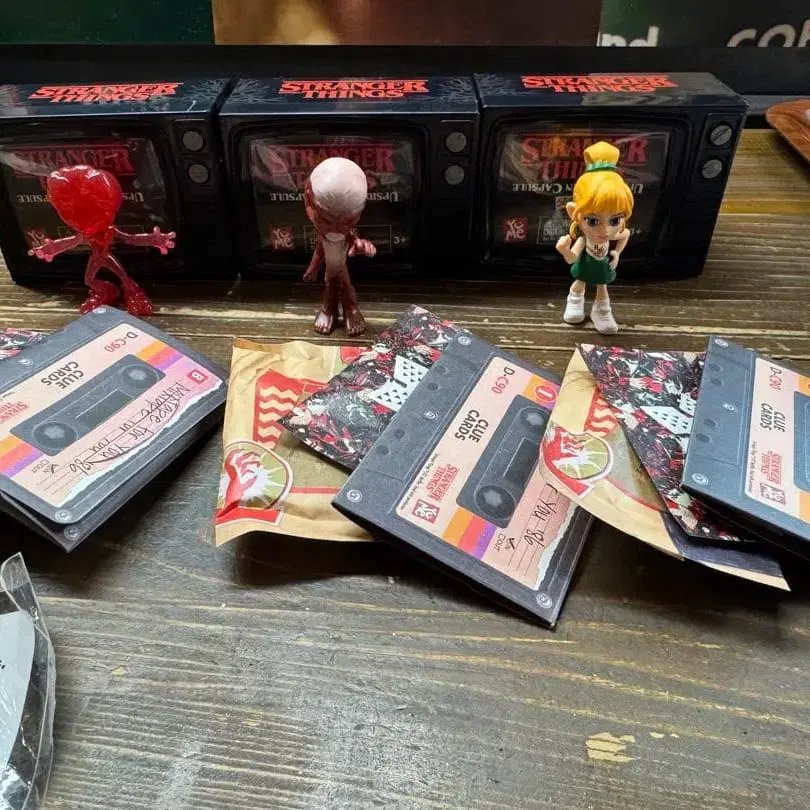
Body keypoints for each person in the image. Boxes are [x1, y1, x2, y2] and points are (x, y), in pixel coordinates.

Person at [555, 141, 634, 335]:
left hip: (603, 266)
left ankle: (602, 310)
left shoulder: (613, 234)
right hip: (586, 265)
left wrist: (617, 253)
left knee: (602, 286)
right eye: (593, 221)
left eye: (615, 220)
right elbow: (572, 258)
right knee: (580, 282)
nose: (605, 230)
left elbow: (625, 234)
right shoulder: (584, 239)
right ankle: (575, 301)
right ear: (573, 212)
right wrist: (565, 250)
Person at [303, 157, 376, 336]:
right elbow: (320, 251)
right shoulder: (323, 237)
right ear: (308, 201)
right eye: (326, 220)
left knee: (345, 288)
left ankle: (351, 309)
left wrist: (363, 247)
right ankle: (329, 310)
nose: (336, 229)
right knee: (330, 290)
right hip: (330, 272)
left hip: (340, 270)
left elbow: (356, 244)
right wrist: (312, 269)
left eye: (347, 222)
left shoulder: (345, 236)